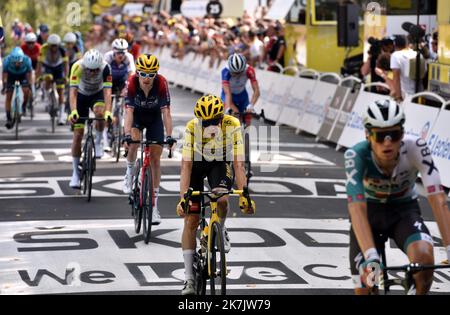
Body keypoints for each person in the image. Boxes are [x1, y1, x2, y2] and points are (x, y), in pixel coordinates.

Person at [345, 99, 450, 295]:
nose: (387, 142)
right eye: (380, 135)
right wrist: (370, 255)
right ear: (368, 135)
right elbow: (356, 209)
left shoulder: (416, 148)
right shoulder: (356, 156)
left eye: (394, 135)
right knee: (366, 284)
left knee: (425, 262)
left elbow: (438, 199)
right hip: (369, 214)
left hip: (404, 211)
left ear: (402, 133)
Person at [176, 94, 256, 295]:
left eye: (212, 122)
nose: (208, 126)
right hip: (196, 163)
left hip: (219, 163)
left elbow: (238, 163)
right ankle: (189, 280)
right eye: (205, 122)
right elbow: (186, 166)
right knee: (192, 220)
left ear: (221, 119)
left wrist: (245, 193)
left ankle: (220, 226)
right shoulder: (192, 127)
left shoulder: (232, 124)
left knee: (222, 200)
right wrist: (182, 199)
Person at [122, 53, 174, 225]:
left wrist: (169, 136)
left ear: (156, 74)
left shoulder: (161, 83)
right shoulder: (131, 82)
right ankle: (129, 171)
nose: (147, 77)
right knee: (134, 142)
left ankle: (154, 206)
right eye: (143, 73)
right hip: (136, 117)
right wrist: (127, 134)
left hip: (154, 119)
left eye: (151, 74)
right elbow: (128, 112)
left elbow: (166, 112)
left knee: (156, 159)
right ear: (137, 72)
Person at [67, 49, 113, 188]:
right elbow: (73, 92)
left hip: (97, 94)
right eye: (90, 70)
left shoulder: (106, 67)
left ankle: (98, 142)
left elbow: (107, 92)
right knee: (77, 136)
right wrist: (73, 111)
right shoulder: (77, 67)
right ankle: (75, 173)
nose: (93, 73)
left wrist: (108, 112)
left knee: (100, 113)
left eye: (95, 70)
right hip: (80, 96)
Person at [103, 38, 135, 150]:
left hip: (122, 82)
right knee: (107, 108)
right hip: (109, 81)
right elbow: (102, 75)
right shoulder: (107, 57)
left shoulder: (129, 57)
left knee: (129, 103)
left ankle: (123, 123)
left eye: (123, 53)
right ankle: (105, 137)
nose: (120, 55)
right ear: (113, 51)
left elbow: (132, 76)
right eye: (118, 53)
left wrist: (126, 88)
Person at [36, 34, 69, 125]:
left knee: (61, 91)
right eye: (52, 46)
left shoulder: (62, 50)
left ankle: (61, 116)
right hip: (48, 66)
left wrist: (66, 77)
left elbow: (66, 64)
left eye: (55, 46)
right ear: (49, 45)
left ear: (58, 45)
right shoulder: (43, 49)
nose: (54, 48)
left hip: (58, 67)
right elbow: (39, 64)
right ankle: (47, 97)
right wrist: (38, 77)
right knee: (47, 78)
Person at [221, 53, 260, 127]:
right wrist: (235, 111)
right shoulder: (225, 71)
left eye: (240, 72)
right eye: (235, 72)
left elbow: (256, 91)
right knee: (234, 116)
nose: (237, 74)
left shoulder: (249, 70)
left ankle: (245, 136)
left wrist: (251, 105)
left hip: (242, 95)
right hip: (229, 94)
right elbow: (227, 93)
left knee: (248, 117)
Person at [1, 47, 32, 129]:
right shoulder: (7, 60)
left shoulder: (27, 60)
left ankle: (24, 106)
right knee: (8, 96)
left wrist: (29, 84)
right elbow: (4, 73)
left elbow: (29, 72)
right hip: (11, 75)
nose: (17, 64)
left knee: (26, 91)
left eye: (19, 63)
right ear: (11, 60)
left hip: (23, 74)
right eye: (15, 63)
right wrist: (4, 85)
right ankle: (8, 117)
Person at [390, 35, 422, 102]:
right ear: (407, 44)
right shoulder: (417, 54)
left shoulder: (395, 55)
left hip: (406, 94)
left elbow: (396, 77)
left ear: (395, 45)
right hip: (420, 93)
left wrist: (398, 97)